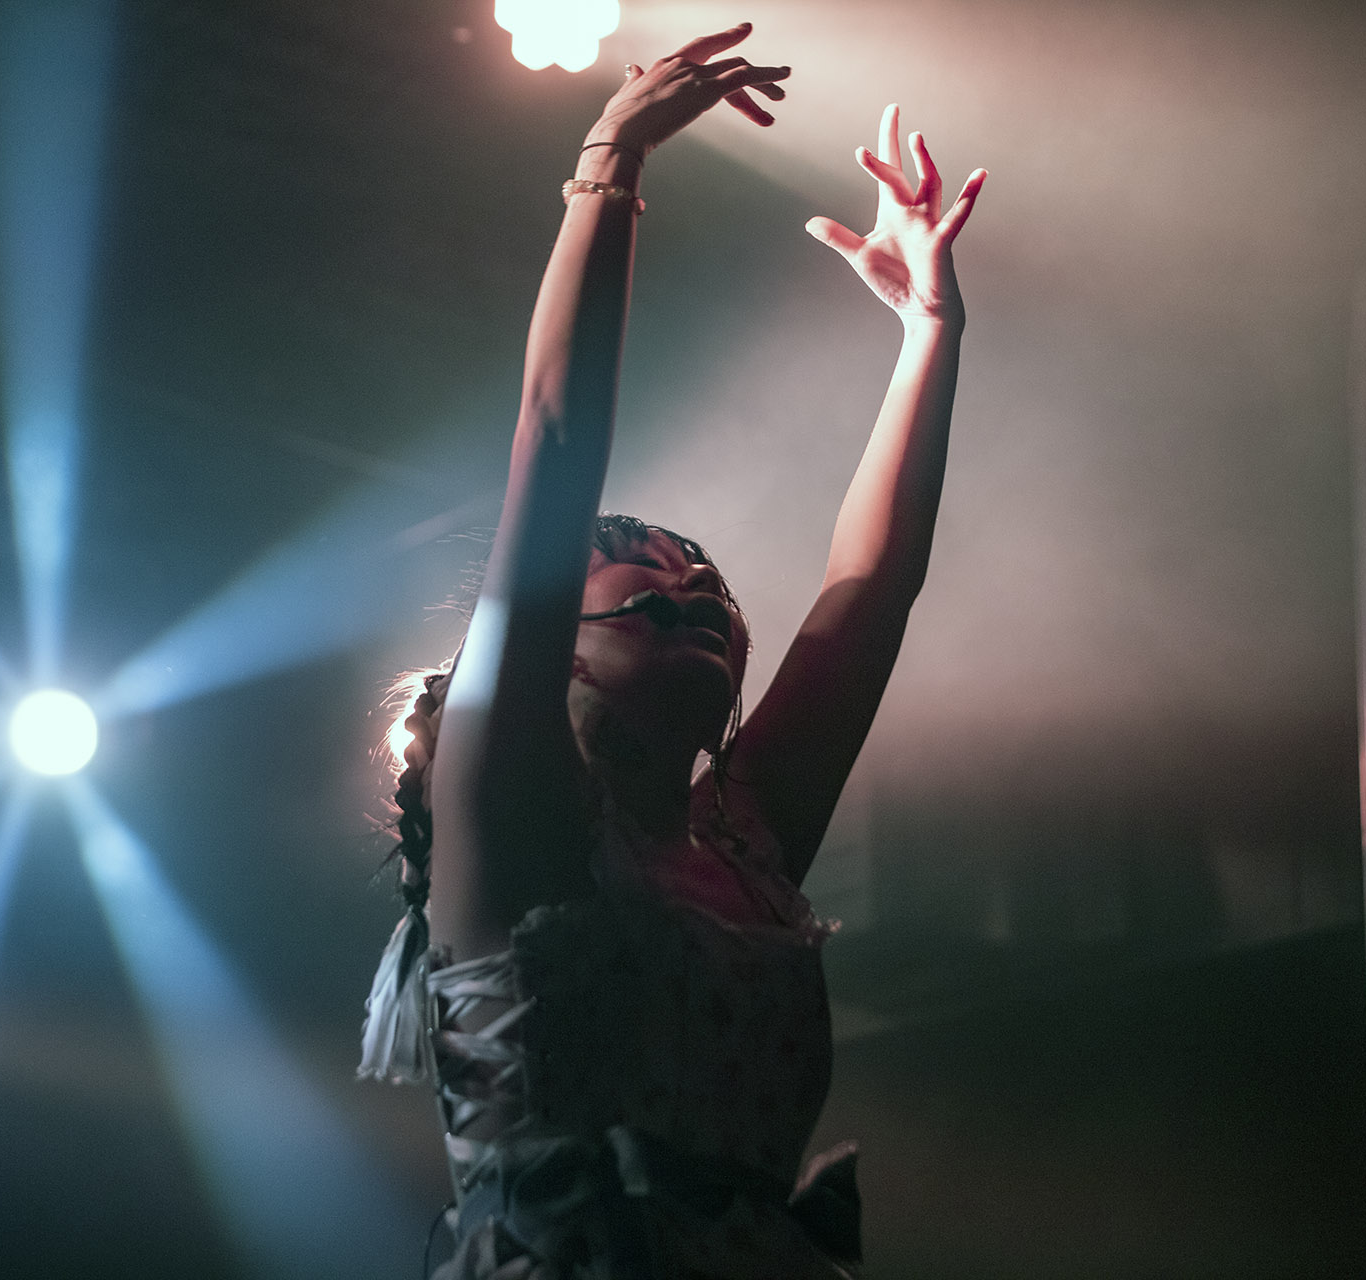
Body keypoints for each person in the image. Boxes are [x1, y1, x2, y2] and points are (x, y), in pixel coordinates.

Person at [361, 22, 985, 1278]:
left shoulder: (745, 840)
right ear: (563, 654)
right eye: (645, 581)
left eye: (707, 585)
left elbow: (873, 589)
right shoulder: (514, 805)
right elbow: (554, 435)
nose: (692, 582)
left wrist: (931, 332)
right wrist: (610, 163)